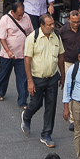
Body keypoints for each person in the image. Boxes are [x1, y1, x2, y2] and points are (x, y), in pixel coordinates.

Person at [23, 12, 64, 148]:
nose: (52, 26)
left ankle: (46, 134)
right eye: (49, 24)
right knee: (36, 103)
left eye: (53, 24)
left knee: (51, 107)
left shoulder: (56, 37)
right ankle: (26, 116)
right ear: (42, 25)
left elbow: (61, 57)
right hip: (37, 79)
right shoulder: (32, 38)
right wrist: (30, 81)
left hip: (52, 78)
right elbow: (27, 60)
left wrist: (62, 75)